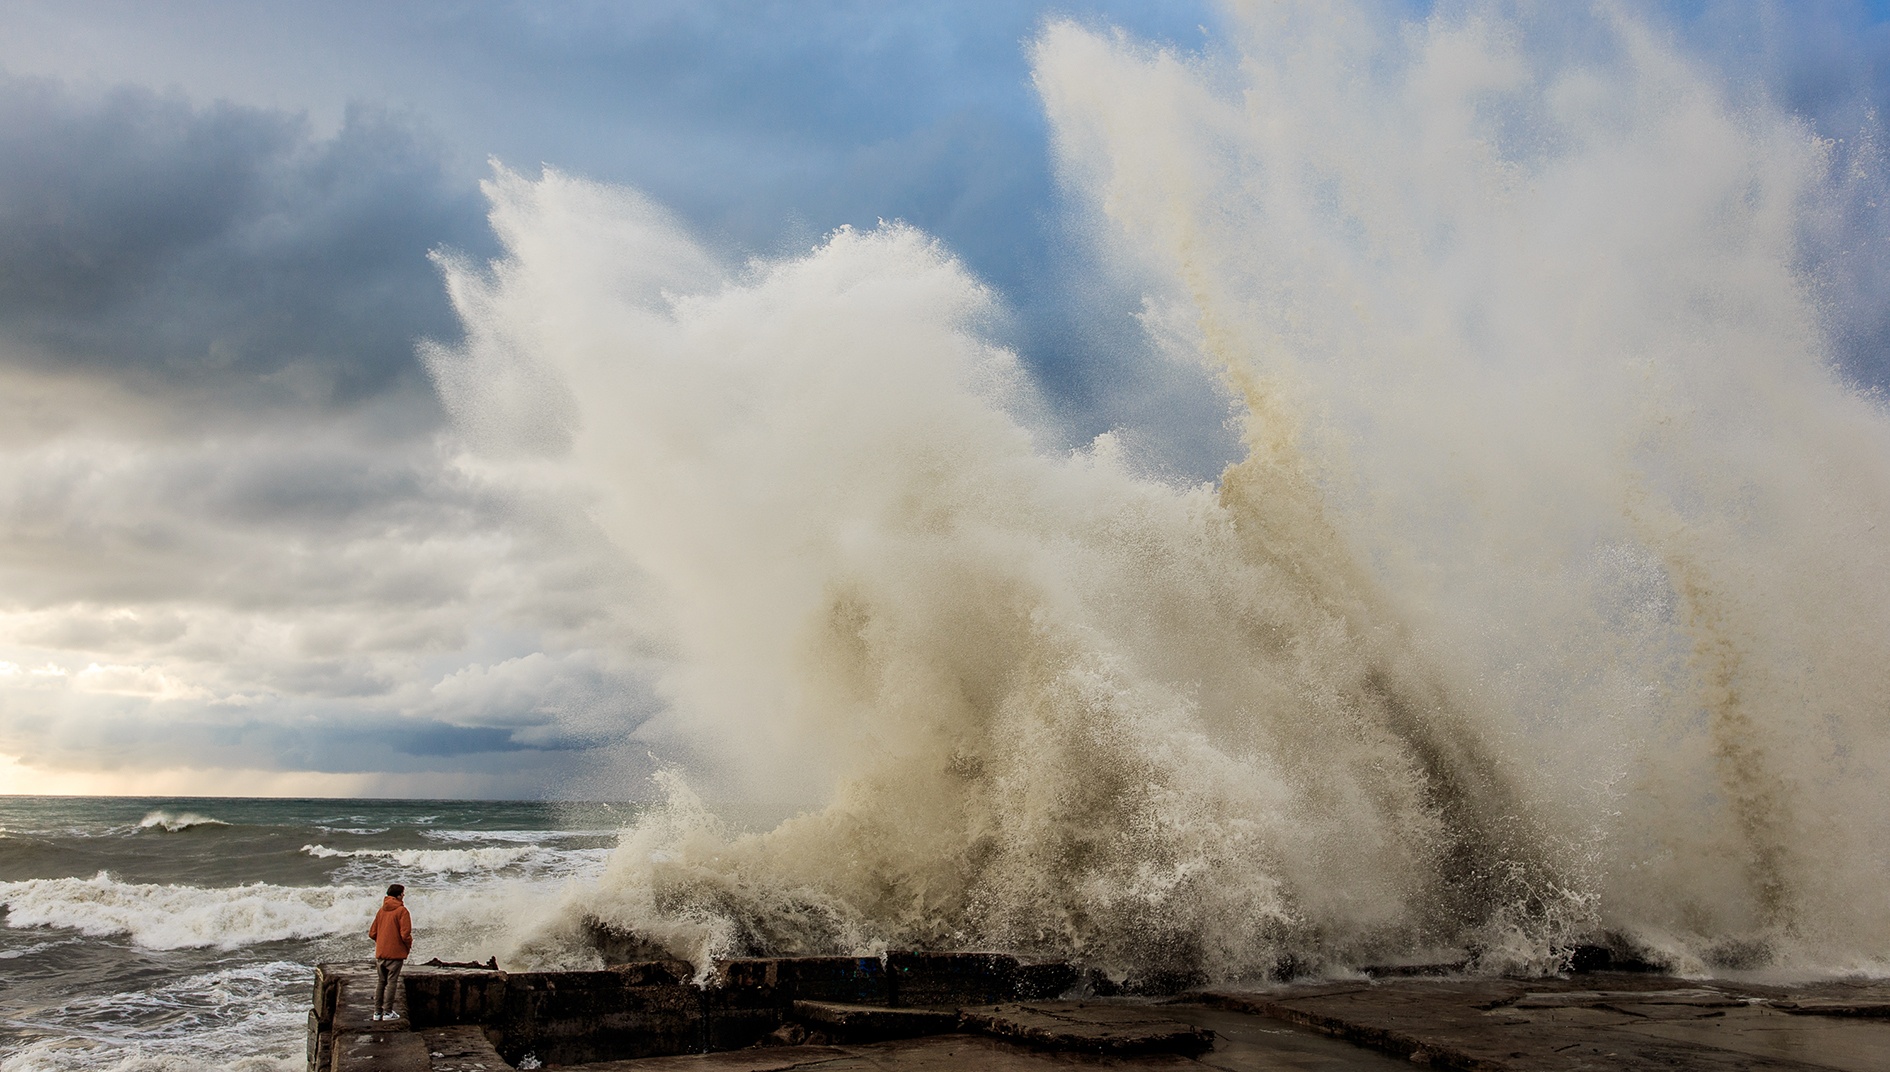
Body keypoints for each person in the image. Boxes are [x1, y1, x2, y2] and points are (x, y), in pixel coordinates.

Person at [368, 883, 413, 1022]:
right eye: (402, 893)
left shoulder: (381, 910)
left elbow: (372, 933)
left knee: (381, 982)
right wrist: (407, 946)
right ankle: (387, 1012)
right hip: (395, 953)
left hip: (381, 952)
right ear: (398, 895)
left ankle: (377, 1013)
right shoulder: (402, 911)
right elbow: (405, 934)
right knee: (392, 982)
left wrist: (382, 942)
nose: (403, 896)